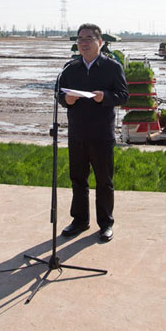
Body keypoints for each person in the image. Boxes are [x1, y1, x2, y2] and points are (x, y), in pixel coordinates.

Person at [58, 23, 128, 242]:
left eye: (89, 38)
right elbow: (59, 95)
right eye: (80, 39)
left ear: (100, 42)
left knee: (104, 181)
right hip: (77, 132)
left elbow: (123, 95)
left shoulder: (112, 67)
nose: (83, 43)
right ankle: (80, 220)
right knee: (78, 179)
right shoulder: (70, 68)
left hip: (101, 134)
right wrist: (66, 100)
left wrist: (104, 97)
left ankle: (105, 224)